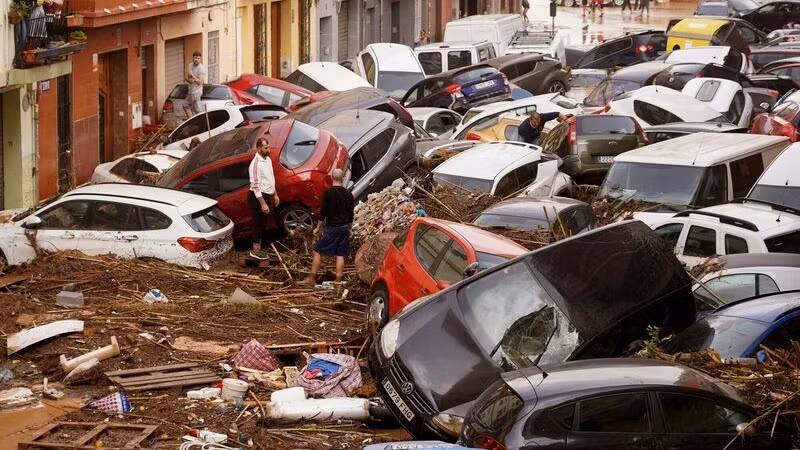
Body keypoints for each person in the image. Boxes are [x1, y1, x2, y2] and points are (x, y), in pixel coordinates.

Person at [300, 169, 354, 286]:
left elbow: (323, 213)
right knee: (340, 254)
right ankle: (338, 280)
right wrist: (349, 228)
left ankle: (312, 277)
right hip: (344, 228)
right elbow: (350, 214)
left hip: (332, 228)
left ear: (331, 178)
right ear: (343, 178)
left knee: (317, 250)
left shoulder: (328, 193)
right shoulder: (348, 194)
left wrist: (318, 228)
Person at [247, 137, 280, 260]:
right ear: (259, 148)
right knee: (258, 223)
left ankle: (262, 246)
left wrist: (275, 194)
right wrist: (263, 204)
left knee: (266, 222)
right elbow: (255, 186)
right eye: (266, 148)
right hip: (257, 197)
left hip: (267, 194)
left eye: (269, 147)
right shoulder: (255, 164)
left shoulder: (268, 160)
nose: (269, 150)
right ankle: (255, 250)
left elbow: (270, 179)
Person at [185, 51, 207, 118]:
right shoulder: (190, 65)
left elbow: (200, 82)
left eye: (198, 58)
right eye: (195, 58)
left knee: (185, 105)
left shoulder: (201, 69)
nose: (196, 60)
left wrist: (194, 78)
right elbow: (186, 77)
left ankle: (192, 121)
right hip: (190, 90)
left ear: (200, 59)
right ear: (193, 58)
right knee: (197, 110)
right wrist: (189, 80)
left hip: (196, 92)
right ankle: (199, 122)